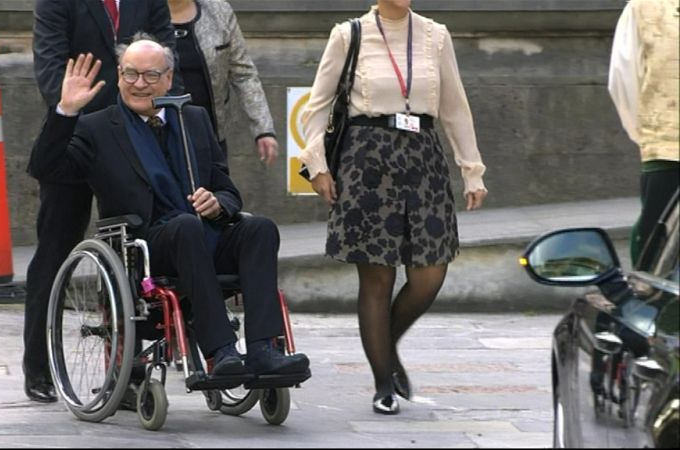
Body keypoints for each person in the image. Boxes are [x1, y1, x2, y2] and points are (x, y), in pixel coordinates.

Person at [29, 38, 310, 384]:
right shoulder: (97, 128)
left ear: (168, 77)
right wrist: (66, 112)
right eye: (130, 74)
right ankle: (220, 351)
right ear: (119, 75)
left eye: (150, 75)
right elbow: (46, 168)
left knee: (260, 228)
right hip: (146, 247)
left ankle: (264, 350)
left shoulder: (193, 118)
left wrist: (218, 202)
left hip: (203, 234)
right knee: (185, 226)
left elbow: (228, 191)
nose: (139, 84)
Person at [299, 0, 488, 414]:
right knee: (377, 278)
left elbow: (456, 106)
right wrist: (316, 165)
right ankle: (383, 382)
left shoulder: (436, 35)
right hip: (367, 159)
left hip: (423, 157)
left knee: (429, 274)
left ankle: (387, 343)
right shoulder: (349, 34)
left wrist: (471, 169)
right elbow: (317, 106)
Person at [24, 0, 177, 403]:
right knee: (55, 249)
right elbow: (51, 69)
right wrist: (87, 119)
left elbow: (162, 57)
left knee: (133, 251)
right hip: (77, 134)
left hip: (132, 138)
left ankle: (127, 370)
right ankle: (38, 366)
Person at [607, 0, 679, 268]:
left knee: (658, 253)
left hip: (666, 146)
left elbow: (623, 82)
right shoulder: (643, 8)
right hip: (665, 149)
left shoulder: (644, 7)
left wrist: (650, 132)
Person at [167, 0, 278, 164]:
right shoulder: (139, 12)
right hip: (156, 137)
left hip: (210, 136)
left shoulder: (219, 11)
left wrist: (264, 130)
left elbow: (243, 74)